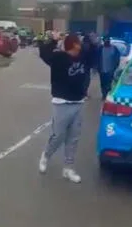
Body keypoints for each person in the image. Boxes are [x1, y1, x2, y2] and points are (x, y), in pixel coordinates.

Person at [38, 32, 92, 183]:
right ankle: (45, 156)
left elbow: (94, 52)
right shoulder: (59, 58)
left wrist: (91, 41)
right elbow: (43, 53)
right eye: (75, 48)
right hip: (61, 102)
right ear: (69, 47)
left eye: (79, 47)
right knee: (58, 135)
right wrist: (53, 41)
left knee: (73, 137)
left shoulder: (82, 57)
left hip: (78, 102)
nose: (77, 51)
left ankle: (68, 169)